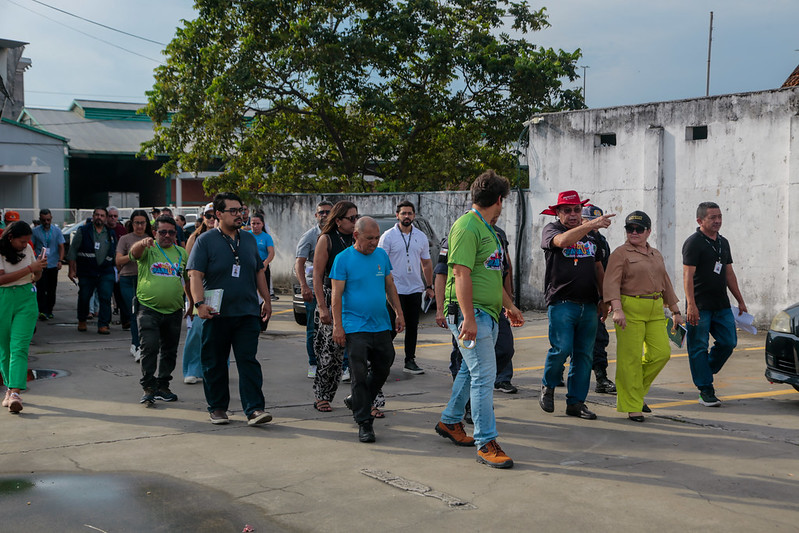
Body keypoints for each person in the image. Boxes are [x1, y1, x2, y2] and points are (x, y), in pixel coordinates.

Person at [434, 170, 524, 469]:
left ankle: (450, 421)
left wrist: (508, 305)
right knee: (485, 376)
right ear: (499, 200)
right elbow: (459, 273)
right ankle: (486, 441)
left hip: (487, 313)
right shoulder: (467, 227)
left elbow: (490, 275)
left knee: (471, 372)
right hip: (471, 314)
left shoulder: (486, 229)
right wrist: (469, 318)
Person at [187, 192, 272, 426]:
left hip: (247, 312)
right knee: (214, 362)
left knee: (248, 361)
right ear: (218, 214)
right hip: (216, 314)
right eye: (233, 211)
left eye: (241, 210)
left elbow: (258, 272)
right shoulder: (205, 241)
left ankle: (254, 409)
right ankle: (217, 408)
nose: (239, 215)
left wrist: (266, 299)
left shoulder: (249, 240)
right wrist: (198, 304)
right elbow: (195, 274)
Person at [539, 191, 613, 420]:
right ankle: (548, 386)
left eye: (576, 210)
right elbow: (563, 242)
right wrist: (590, 224)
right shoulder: (552, 230)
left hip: (589, 304)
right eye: (568, 210)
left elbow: (599, 268)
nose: (573, 214)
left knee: (584, 356)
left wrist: (604, 298)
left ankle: (576, 402)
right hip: (562, 302)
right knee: (561, 349)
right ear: (558, 213)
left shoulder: (592, 238)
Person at [604, 211, 684, 422]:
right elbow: (611, 282)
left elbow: (665, 282)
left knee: (661, 353)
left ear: (648, 231)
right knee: (629, 359)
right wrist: (617, 308)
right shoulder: (620, 254)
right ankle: (632, 405)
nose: (634, 232)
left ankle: (634, 393)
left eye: (639, 229)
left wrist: (676, 311)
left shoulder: (655, 254)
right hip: (630, 307)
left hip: (656, 307)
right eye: (630, 228)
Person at [331, 217, 405, 442]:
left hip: (380, 323)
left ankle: (357, 400)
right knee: (359, 373)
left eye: (376, 238)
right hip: (354, 326)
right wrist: (338, 326)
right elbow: (336, 295)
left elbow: (390, 285)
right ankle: (364, 422)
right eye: (369, 238)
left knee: (385, 363)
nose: (374, 242)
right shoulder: (343, 260)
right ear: (356, 236)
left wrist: (399, 313)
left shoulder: (381, 255)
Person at [682, 201, 747, 407]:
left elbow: (728, 272)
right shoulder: (693, 243)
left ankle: (704, 370)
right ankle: (705, 390)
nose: (717, 221)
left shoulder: (723, 242)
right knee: (698, 347)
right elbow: (687, 276)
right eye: (712, 217)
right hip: (699, 306)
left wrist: (740, 300)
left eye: (719, 217)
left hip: (721, 305)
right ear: (700, 220)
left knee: (729, 342)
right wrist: (691, 305)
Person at [130, 215, 190, 405]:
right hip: (148, 309)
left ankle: (163, 386)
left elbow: (188, 280)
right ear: (155, 233)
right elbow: (134, 253)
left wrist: (191, 303)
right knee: (150, 347)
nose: (167, 235)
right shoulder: (148, 249)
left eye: (171, 232)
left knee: (169, 351)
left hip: (174, 310)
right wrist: (142, 243)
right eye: (162, 232)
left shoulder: (182, 253)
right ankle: (149, 387)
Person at [377, 200, 434, 375]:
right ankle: (380, 360)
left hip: (415, 288)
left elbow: (426, 263)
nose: (407, 216)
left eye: (410, 213)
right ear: (397, 215)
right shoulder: (388, 236)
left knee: (412, 326)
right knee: (392, 326)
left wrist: (429, 286)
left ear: (414, 216)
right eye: (403, 213)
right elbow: (380, 262)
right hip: (394, 289)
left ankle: (410, 361)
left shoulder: (421, 236)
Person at [311, 201, 357, 412]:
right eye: (351, 218)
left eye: (357, 217)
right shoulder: (326, 240)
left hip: (355, 299)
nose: (355, 222)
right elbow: (318, 276)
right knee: (331, 354)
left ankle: (367, 399)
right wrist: (322, 308)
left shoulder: (359, 239)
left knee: (364, 353)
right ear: (338, 221)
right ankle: (323, 396)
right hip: (331, 298)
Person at [0, 221, 47, 414]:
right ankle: (10, 390)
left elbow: (35, 277)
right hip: (3, 298)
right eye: (22, 241)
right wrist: (30, 269)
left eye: (27, 241)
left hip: (26, 298)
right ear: (10, 237)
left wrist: (39, 268)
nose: (25, 244)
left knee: (19, 346)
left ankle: (16, 392)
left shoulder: (28, 248)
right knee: (4, 347)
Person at [295, 201, 333, 378]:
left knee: (338, 327)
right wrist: (304, 286)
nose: (324, 215)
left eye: (328, 212)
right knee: (313, 328)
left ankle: (341, 365)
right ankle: (313, 363)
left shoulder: (337, 235)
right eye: (321, 212)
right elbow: (299, 263)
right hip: (313, 288)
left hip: (334, 288)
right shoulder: (310, 236)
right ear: (316, 215)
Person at [581, 205, 616, 394]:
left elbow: (606, 270)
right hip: (574, 297)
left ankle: (601, 378)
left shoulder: (601, 242)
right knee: (566, 341)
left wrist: (606, 298)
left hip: (596, 299)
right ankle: (556, 374)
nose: (595, 227)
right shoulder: (574, 237)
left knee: (599, 338)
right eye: (590, 222)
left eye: (597, 223)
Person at [67, 207, 117, 334]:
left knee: (105, 297)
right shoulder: (83, 231)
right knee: (84, 296)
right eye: (97, 215)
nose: (99, 217)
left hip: (106, 271)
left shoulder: (110, 233)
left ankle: (103, 324)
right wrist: (71, 270)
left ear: (105, 218)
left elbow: (115, 251)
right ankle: (82, 320)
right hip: (87, 271)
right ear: (93, 216)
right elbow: (73, 250)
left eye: (102, 215)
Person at [181, 203, 216, 384]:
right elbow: (189, 273)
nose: (211, 219)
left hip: (220, 291)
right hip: (200, 292)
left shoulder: (228, 236)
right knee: (196, 332)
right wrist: (191, 300)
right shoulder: (195, 238)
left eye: (214, 215)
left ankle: (215, 369)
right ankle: (192, 369)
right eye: (208, 216)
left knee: (218, 333)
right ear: (203, 217)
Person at [116, 210, 154, 361]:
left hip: (147, 279)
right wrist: (134, 254)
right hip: (128, 279)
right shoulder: (125, 239)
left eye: (142, 223)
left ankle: (142, 344)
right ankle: (137, 345)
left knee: (147, 313)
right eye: (136, 223)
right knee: (135, 312)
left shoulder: (151, 239)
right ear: (131, 224)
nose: (139, 226)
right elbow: (118, 261)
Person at [31, 209, 65, 320]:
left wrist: (60, 260)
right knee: (41, 288)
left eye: (48, 220)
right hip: (40, 264)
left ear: (51, 219)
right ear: (40, 220)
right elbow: (32, 247)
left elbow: (61, 246)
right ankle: (42, 310)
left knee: (51, 289)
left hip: (53, 264)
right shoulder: (35, 231)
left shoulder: (57, 231)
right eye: (44, 220)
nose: (46, 222)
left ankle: (49, 310)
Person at [249, 212, 274, 330]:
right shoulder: (246, 236)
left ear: (262, 224)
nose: (255, 226)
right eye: (253, 223)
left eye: (258, 223)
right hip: (249, 267)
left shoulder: (266, 237)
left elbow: (271, 253)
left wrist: (265, 264)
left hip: (262, 267)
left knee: (264, 293)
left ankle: (263, 323)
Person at [107, 206, 129, 328]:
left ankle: (126, 320)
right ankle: (106, 321)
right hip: (107, 267)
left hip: (121, 267)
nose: (113, 219)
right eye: (110, 216)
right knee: (105, 296)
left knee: (121, 295)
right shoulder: (103, 230)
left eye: (115, 216)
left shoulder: (122, 230)